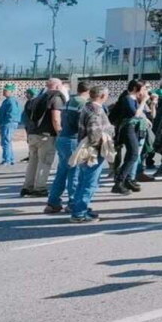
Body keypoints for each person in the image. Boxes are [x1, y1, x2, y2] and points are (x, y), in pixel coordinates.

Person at [68, 86, 113, 223]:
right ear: (102, 96)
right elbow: (94, 131)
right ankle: (79, 213)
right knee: (90, 183)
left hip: (86, 147)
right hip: (93, 150)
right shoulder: (96, 110)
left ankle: (79, 207)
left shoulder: (87, 107)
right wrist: (102, 141)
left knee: (83, 180)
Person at [44, 81, 90, 214]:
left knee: (62, 172)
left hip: (63, 138)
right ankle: (72, 202)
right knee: (74, 173)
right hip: (73, 139)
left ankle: (53, 202)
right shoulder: (82, 104)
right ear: (87, 91)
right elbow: (81, 124)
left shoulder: (69, 101)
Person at [21, 78, 65, 197]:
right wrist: (59, 132)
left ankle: (27, 187)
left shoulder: (37, 98)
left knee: (32, 162)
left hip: (32, 134)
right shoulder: (55, 98)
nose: (62, 87)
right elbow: (56, 118)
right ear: (56, 86)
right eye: (61, 85)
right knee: (44, 162)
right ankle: (40, 188)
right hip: (46, 135)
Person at [111, 80, 148, 195]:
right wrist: (143, 102)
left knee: (131, 154)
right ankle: (119, 181)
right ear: (136, 89)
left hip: (133, 128)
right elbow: (135, 114)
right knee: (133, 154)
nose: (145, 92)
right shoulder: (127, 99)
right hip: (127, 128)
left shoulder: (132, 99)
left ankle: (126, 179)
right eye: (143, 89)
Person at [0, 83, 23, 165]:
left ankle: (6, 159)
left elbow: (13, 113)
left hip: (8, 123)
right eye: (4, 90)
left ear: (11, 92)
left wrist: (7, 121)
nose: (4, 92)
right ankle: (10, 158)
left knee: (6, 141)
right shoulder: (7, 100)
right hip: (6, 123)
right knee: (7, 141)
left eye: (6, 90)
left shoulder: (11, 101)